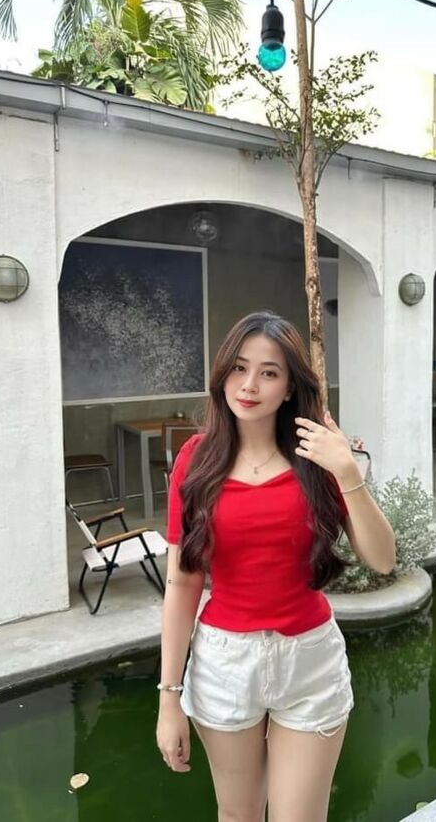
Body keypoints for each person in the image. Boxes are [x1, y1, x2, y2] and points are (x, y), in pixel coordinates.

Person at [156, 311, 396, 822]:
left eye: (268, 373)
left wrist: (347, 471)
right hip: (225, 663)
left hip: (309, 662)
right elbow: (182, 582)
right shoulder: (196, 460)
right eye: (239, 368)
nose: (249, 385)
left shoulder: (318, 458)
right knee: (238, 815)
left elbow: (382, 559)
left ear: (289, 388)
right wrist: (168, 699)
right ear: (223, 374)